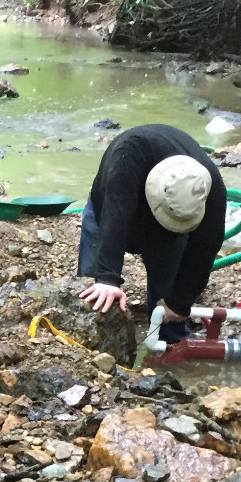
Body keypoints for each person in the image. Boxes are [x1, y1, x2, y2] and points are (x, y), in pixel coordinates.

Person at [77, 124, 226, 343]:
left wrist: (180, 302)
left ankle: (169, 341)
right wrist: (107, 278)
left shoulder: (208, 185)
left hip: (167, 230)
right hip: (109, 204)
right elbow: (114, 216)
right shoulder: (128, 157)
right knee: (97, 283)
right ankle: (89, 329)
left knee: (168, 283)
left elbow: (207, 245)